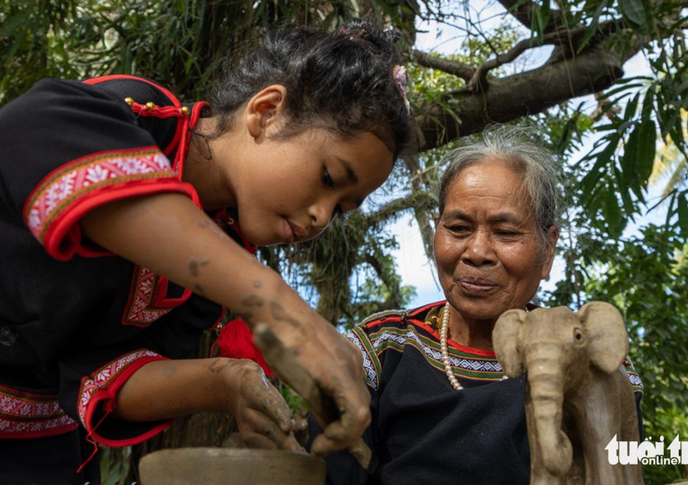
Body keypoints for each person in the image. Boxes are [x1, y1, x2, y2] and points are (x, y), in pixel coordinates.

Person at [0, 18, 411, 485]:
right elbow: (26, 132)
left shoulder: (221, 265)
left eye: (340, 210)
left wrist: (225, 382)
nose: (321, 217)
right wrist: (274, 304)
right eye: (330, 179)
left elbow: (98, 377)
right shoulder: (139, 118)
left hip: (45, 454)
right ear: (267, 111)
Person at [309, 126, 644, 485]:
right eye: (458, 228)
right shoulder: (383, 347)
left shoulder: (587, 360)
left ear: (549, 248)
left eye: (506, 233)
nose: (477, 252)